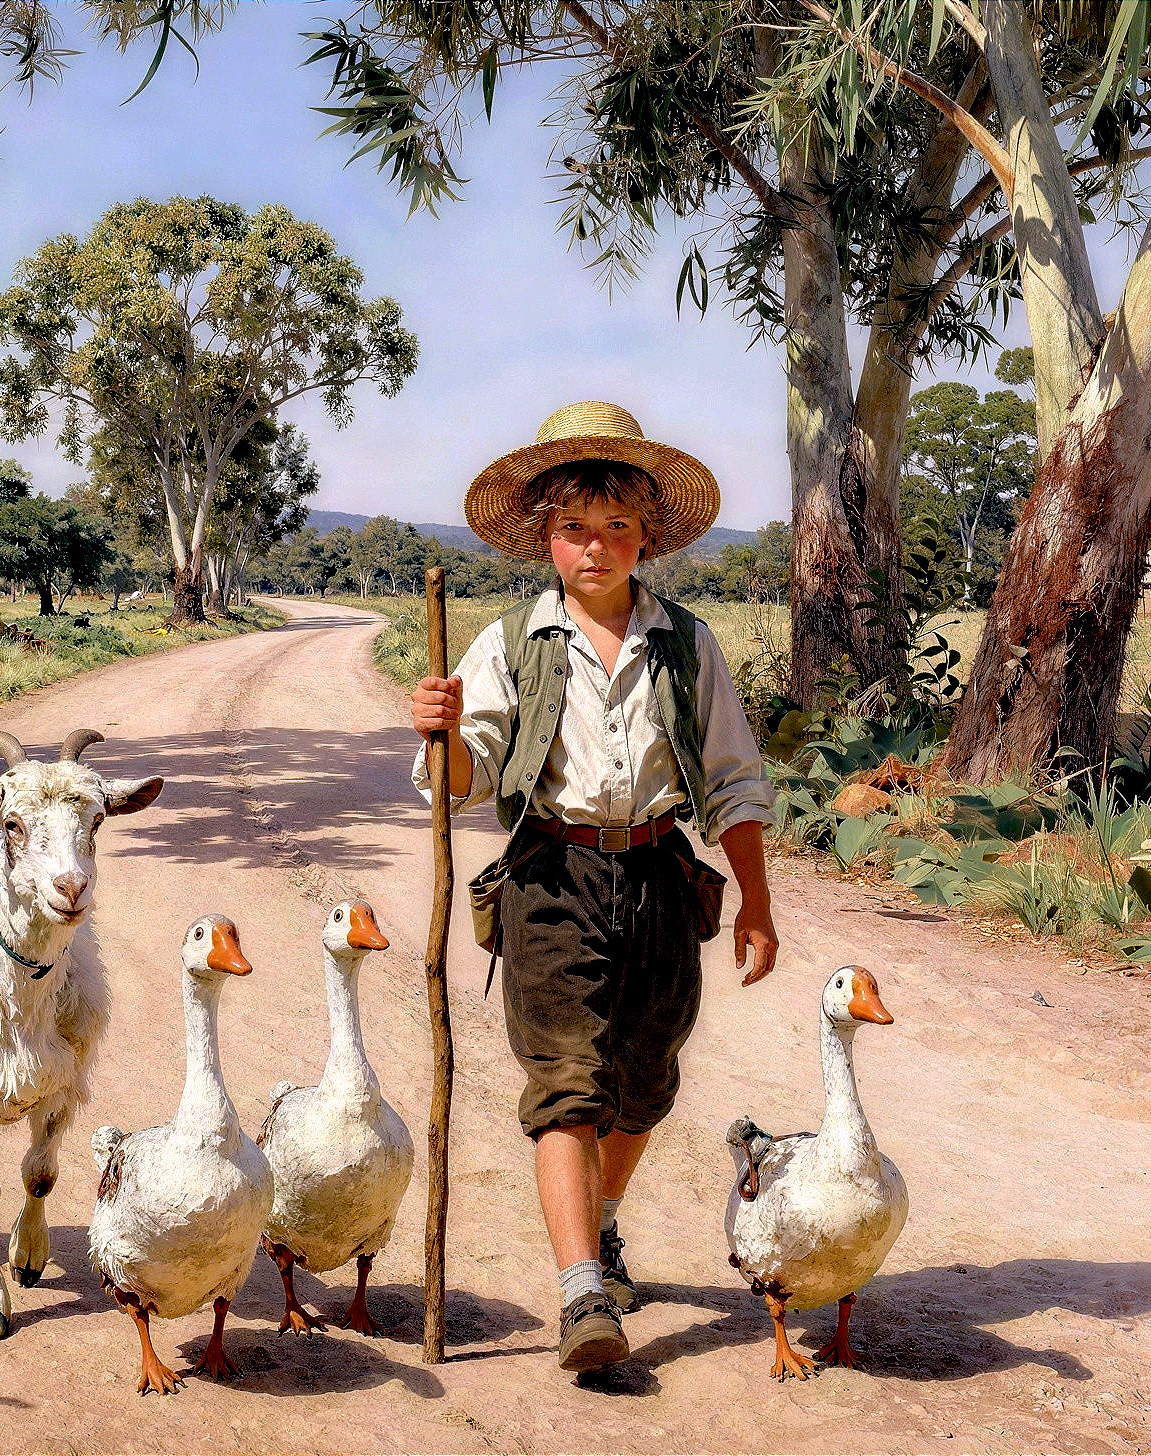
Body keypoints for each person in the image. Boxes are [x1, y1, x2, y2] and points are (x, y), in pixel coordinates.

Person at [410, 401, 780, 1375]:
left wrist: (757, 902)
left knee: (643, 1086)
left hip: (661, 873)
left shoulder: (687, 645)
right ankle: (581, 1293)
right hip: (549, 876)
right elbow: (464, 780)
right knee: (567, 1088)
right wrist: (443, 733)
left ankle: (603, 1216)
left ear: (646, 534)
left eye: (617, 526)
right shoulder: (506, 645)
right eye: (575, 527)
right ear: (545, 534)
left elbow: (736, 782)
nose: (595, 546)